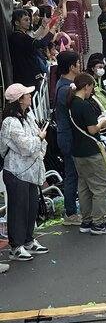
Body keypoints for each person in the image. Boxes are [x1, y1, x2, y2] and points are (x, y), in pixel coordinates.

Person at [0, 83, 49, 262]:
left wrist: (39, 141)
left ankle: (28, 240)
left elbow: (36, 141)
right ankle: (16, 246)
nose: (30, 96)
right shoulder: (10, 122)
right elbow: (27, 146)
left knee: (31, 207)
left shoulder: (27, 116)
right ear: (20, 99)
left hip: (30, 170)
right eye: (27, 94)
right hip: (16, 172)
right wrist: (40, 139)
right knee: (18, 209)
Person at [68, 73, 106, 235]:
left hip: (77, 151)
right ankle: (98, 222)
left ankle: (86, 220)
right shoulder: (84, 105)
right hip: (90, 150)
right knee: (101, 186)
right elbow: (93, 129)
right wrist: (102, 122)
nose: (92, 91)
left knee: (84, 186)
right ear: (86, 87)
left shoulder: (71, 104)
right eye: (92, 87)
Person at [54, 51, 82, 227]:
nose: (80, 66)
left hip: (69, 136)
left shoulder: (64, 84)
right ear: (72, 67)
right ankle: (70, 213)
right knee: (72, 175)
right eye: (78, 63)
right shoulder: (66, 89)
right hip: (68, 138)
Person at [9, 8, 55, 88]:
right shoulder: (19, 37)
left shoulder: (21, 35)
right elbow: (41, 43)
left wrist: (44, 26)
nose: (29, 22)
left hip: (26, 74)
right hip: (25, 77)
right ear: (17, 22)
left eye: (29, 19)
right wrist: (53, 29)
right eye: (25, 20)